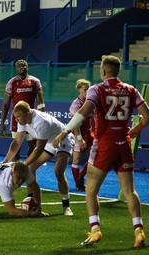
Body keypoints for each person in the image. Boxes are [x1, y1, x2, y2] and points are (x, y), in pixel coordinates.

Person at [53, 55, 149, 248]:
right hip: (124, 144)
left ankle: (95, 229)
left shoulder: (98, 89)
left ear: (103, 71)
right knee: (130, 191)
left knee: (91, 189)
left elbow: (84, 112)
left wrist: (64, 131)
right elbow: (146, 115)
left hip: (104, 145)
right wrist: (134, 130)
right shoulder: (131, 90)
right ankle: (139, 231)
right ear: (118, 71)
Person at [3, 101, 74, 216]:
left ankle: (66, 206)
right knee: (30, 169)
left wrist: (23, 165)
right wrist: (6, 160)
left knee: (58, 171)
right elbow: (17, 142)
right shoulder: (22, 120)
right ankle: (33, 203)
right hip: (49, 142)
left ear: (27, 113)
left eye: (18, 116)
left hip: (63, 140)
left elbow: (39, 149)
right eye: (15, 117)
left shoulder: (42, 122)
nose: (17, 120)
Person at [0, 59, 45, 160]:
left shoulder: (35, 81)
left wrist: (42, 117)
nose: (22, 68)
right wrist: (2, 123)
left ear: (27, 67)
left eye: (24, 66)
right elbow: (6, 104)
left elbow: (40, 102)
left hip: (31, 118)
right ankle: (16, 168)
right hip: (17, 119)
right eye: (20, 66)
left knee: (33, 145)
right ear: (16, 69)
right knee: (16, 146)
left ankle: (28, 166)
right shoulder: (12, 82)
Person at [69, 79, 94, 191]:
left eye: (89, 89)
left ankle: (80, 177)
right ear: (79, 89)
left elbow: (93, 119)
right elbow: (76, 124)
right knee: (76, 159)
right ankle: (78, 184)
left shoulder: (91, 102)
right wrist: (80, 139)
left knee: (94, 157)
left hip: (89, 133)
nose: (87, 91)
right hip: (79, 134)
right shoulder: (75, 104)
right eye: (85, 89)